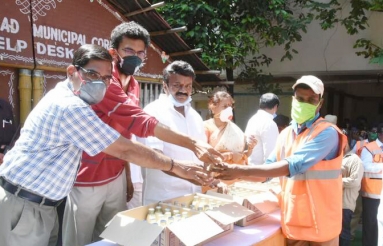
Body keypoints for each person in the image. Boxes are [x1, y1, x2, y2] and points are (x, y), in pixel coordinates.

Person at [0, 44, 216, 246]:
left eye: (105, 78)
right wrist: (176, 166)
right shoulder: (69, 106)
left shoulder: (72, 95)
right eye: (92, 74)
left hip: (43, 205)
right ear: (71, 72)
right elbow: (125, 147)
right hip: (23, 205)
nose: (99, 83)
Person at [62, 24, 221, 246]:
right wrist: (193, 145)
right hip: (88, 174)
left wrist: (127, 177)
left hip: (116, 174)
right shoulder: (106, 82)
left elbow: (128, 136)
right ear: (113, 52)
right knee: (80, 239)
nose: (135, 57)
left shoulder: (135, 85)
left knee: (112, 238)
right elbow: (139, 122)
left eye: (140, 53)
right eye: (128, 51)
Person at [214, 75, 347, 245]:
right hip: (294, 225)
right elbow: (266, 173)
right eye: (300, 98)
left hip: (321, 228)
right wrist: (234, 175)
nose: (304, 103)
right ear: (293, 100)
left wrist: (239, 171)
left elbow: (292, 165)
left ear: (320, 103)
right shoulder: (285, 134)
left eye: (311, 100)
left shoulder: (327, 133)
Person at [138, 60, 206, 205]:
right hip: (164, 198)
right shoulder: (153, 112)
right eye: (177, 85)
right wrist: (187, 174)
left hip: (195, 196)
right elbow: (154, 157)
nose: (183, 90)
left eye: (188, 86)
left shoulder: (195, 116)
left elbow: (202, 155)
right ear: (165, 86)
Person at [204, 91, 257, 165]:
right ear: (213, 108)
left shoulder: (234, 128)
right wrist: (230, 155)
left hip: (237, 173)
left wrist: (250, 148)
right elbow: (204, 155)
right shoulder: (206, 126)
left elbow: (242, 156)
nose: (229, 109)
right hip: (216, 173)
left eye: (230, 106)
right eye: (225, 106)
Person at [359, 123, 383, 246]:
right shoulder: (369, 148)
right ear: (380, 134)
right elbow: (365, 166)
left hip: (381, 195)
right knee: (370, 225)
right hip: (371, 194)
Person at [245, 93, 279, 165]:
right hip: (262, 172)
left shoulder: (252, 119)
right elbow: (270, 154)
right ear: (275, 107)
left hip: (250, 168)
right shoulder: (269, 123)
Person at [339, 143, 364, 246]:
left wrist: (334, 182)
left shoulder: (355, 160)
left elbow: (355, 181)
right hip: (333, 203)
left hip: (345, 204)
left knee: (343, 233)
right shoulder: (337, 158)